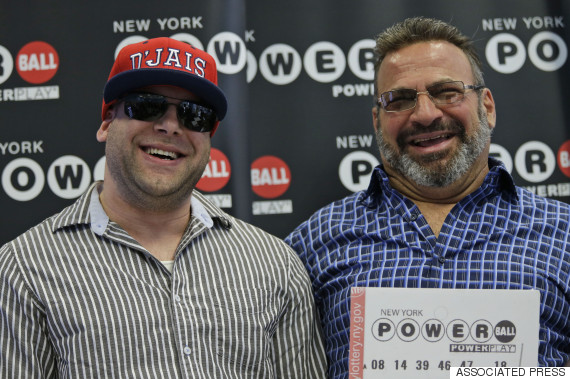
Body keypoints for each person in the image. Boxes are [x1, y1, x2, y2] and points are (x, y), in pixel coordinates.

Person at [0, 37, 326, 378]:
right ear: (106, 122)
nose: (170, 125)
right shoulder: (23, 269)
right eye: (145, 105)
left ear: (208, 140)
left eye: (194, 115)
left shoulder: (275, 264)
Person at [285, 16, 570, 377]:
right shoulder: (314, 242)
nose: (425, 114)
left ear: (487, 107)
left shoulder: (563, 234)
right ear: (376, 122)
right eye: (399, 100)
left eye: (447, 92)